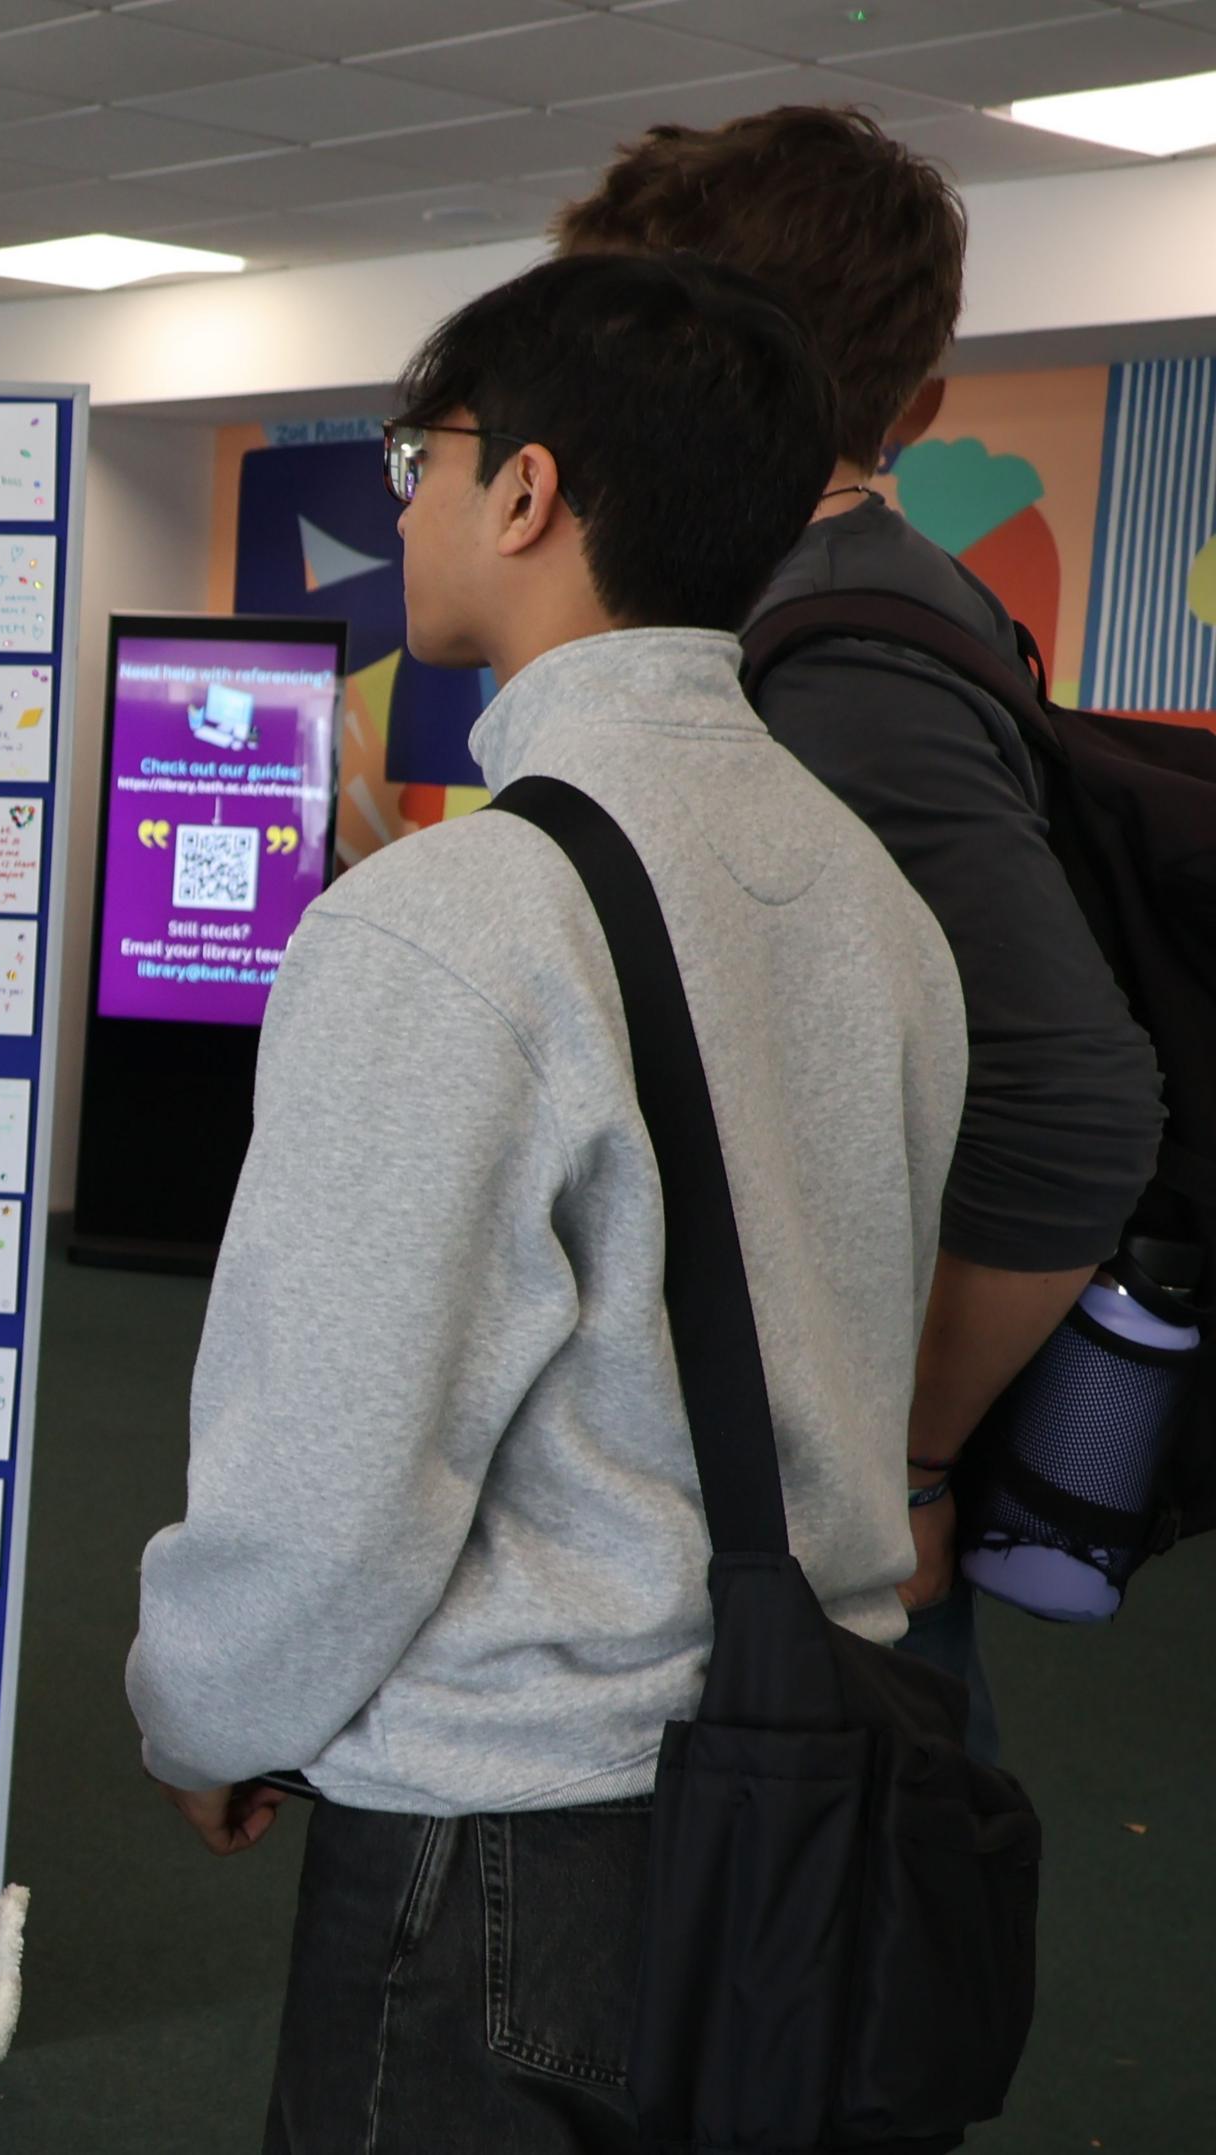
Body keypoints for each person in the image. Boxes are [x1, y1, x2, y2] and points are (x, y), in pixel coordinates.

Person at [126, 252, 968, 2151]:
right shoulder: (875, 904)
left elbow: (336, 1455)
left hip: (506, 1845)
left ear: (526, 490)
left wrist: (208, 1715)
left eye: (416, 453)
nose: (401, 501)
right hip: (812, 1804)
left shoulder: (447, 922)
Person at [554, 107, 1165, 1752]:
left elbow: (1072, 1101)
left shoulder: (835, 672)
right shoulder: (823, 614)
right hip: (752, 1480)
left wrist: (896, 1460)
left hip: (804, 1527)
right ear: (926, 400)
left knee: (813, 1960)